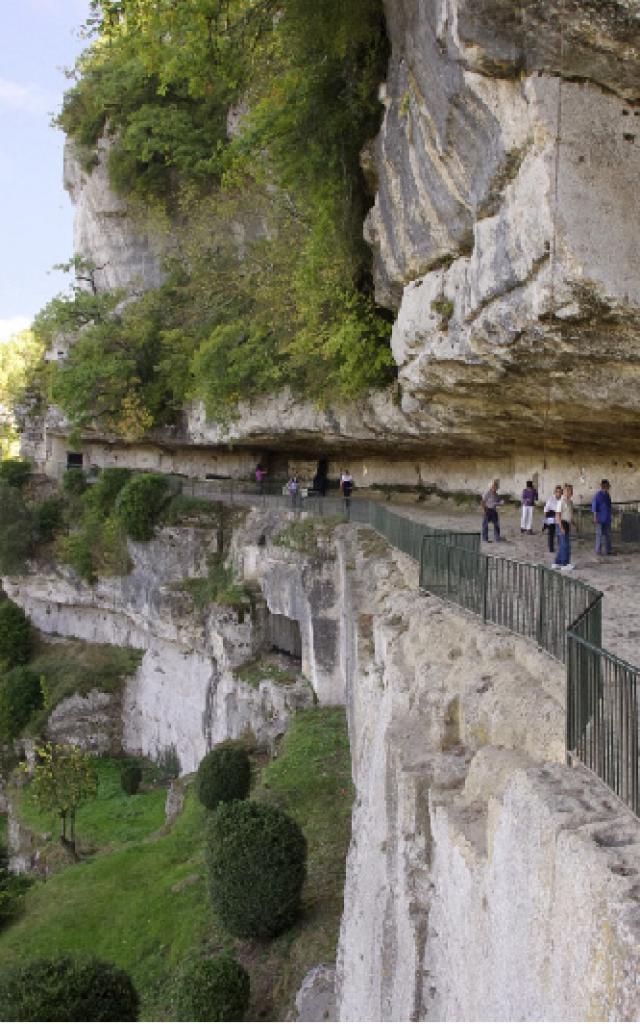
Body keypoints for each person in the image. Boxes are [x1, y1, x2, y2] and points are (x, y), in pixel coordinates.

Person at [553, 483, 574, 570]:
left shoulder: (569, 502)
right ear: (564, 492)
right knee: (565, 545)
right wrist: (561, 527)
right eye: (567, 490)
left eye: (570, 490)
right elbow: (558, 515)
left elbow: (569, 514)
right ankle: (565, 564)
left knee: (563, 544)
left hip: (566, 523)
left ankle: (557, 562)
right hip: (562, 523)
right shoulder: (561, 501)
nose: (569, 492)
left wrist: (573, 523)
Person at [592, 478, 613, 557]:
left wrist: (610, 516)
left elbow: (609, 506)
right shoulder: (598, 495)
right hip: (599, 518)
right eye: (607, 486)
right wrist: (595, 517)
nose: (608, 487)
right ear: (604, 486)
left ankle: (608, 550)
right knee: (599, 535)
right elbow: (594, 507)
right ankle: (598, 551)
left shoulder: (607, 495)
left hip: (607, 518)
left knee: (608, 534)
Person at [543, 485, 563, 554]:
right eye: (557, 492)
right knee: (551, 533)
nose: (558, 493)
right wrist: (546, 521)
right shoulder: (550, 499)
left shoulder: (563, 499)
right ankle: (551, 548)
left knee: (559, 533)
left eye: (560, 492)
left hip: (559, 516)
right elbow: (546, 510)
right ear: (555, 492)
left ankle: (560, 547)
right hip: (551, 515)